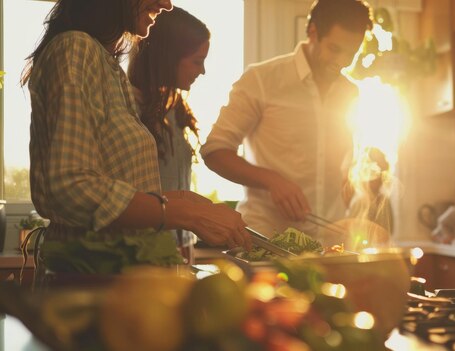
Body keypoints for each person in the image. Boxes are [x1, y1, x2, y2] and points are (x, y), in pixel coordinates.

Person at [21, 0, 251, 279]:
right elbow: (69, 187)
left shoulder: (106, 64)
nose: (167, 4)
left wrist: (186, 201)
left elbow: (118, 186)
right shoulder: (75, 48)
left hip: (123, 284)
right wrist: (187, 215)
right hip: (90, 283)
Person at [201, 0, 374, 238]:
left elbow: (341, 170)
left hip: (330, 242)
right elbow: (215, 151)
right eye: (335, 49)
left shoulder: (350, 93)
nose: (342, 61)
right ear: (312, 31)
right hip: (269, 239)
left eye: (351, 53)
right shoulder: (261, 80)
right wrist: (272, 180)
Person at [127, 6, 210, 264]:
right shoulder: (128, 107)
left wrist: (186, 253)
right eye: (197, 61)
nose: (203, 71)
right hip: (143, 255)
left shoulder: (173, 109)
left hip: (177, 255)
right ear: (169, 56)